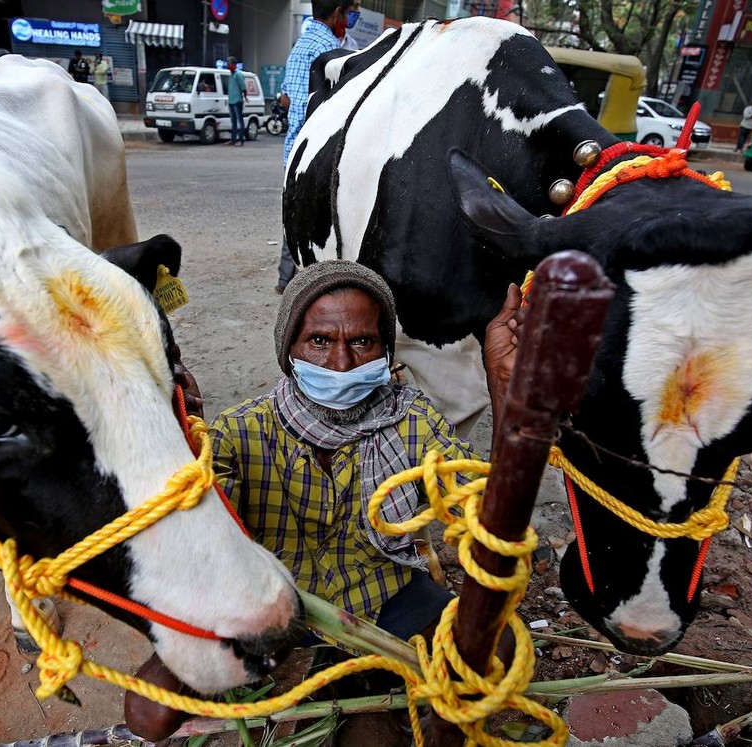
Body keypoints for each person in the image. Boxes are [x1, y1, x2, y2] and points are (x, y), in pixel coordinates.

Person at [124, 260, 524, 741]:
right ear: (288, 348)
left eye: (362, 342)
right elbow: (191, 540)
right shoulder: (241, 431)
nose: (341, 363)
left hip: (385, 595)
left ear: (385, 350)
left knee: (496, 650)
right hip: (273, 602)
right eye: (319, 341)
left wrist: (507, 389)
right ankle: (350, 674)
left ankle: (397, 699)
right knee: (148, 714)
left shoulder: (412, 420)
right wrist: (180, 433)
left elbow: (486, 514)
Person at [275, 0, 349, 293]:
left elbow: (285, 99)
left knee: (292, 211)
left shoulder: (299, 46)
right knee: (321, 217)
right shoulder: (332, 51)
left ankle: (285, 279)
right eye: (347, 12)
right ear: (336, 14)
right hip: (321, 150)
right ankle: (318, 282)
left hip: (293, 149)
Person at [226, 56, 247, 146]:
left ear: (234, 64)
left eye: (229, 64)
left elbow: (243, 87)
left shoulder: (238, 74)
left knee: (239, 121)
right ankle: (233, 139)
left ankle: (241, 139)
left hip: (237, 100)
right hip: (231, 101)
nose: (228, 65)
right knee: (233, 121)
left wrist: (245, 97)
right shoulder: (231, 75)